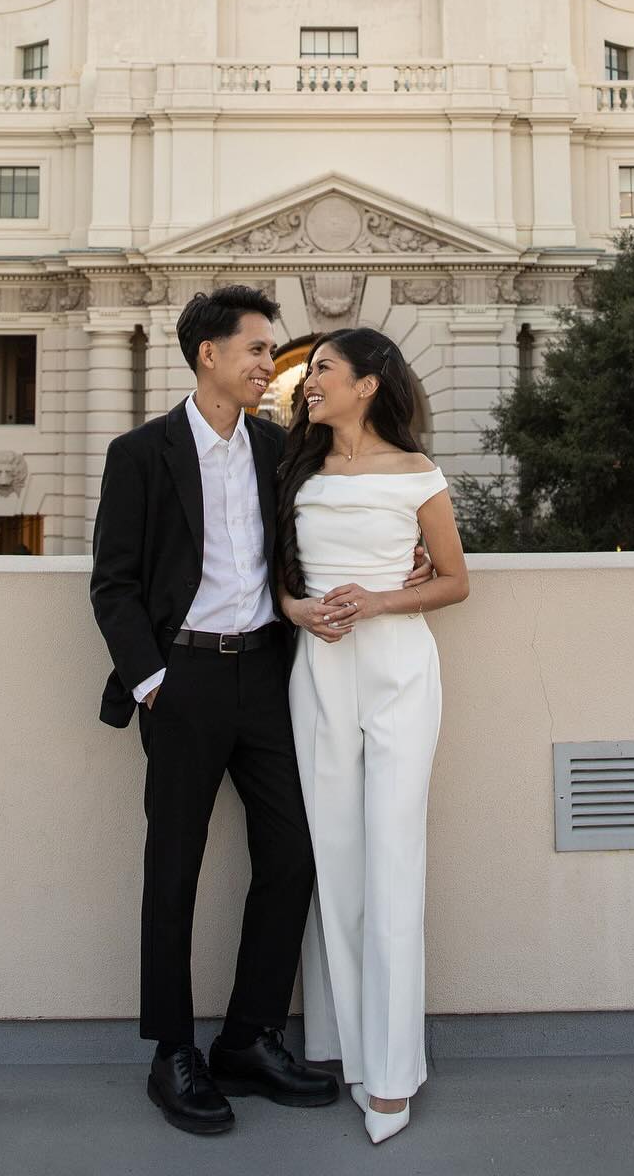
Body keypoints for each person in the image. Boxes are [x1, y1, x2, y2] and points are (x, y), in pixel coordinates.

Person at [89, 287, 431, 1137]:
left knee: (293, 854)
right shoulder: (141, 453)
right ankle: (172, 1052)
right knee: (175, 867)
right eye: (255, 349)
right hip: (184, 682)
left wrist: (405, 558)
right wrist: (152, 681)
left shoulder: (281, 450)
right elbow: (115, 585)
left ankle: (249, 1037)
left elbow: (337, 519)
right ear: (208, 353)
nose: (266, 363)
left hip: (272, 677)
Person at [276, 329, 470, 1146]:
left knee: (393, 858)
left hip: (398, 675)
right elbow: (274, 581)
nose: (307, 381)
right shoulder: (292, 470)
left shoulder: (419, 475)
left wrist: (381, 600)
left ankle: (392, 1073)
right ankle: (344, 1044)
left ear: (368, 383)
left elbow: (456, 580)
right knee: (337, 859)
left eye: (323, 369)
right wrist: (301, 610)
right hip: (316, 673)